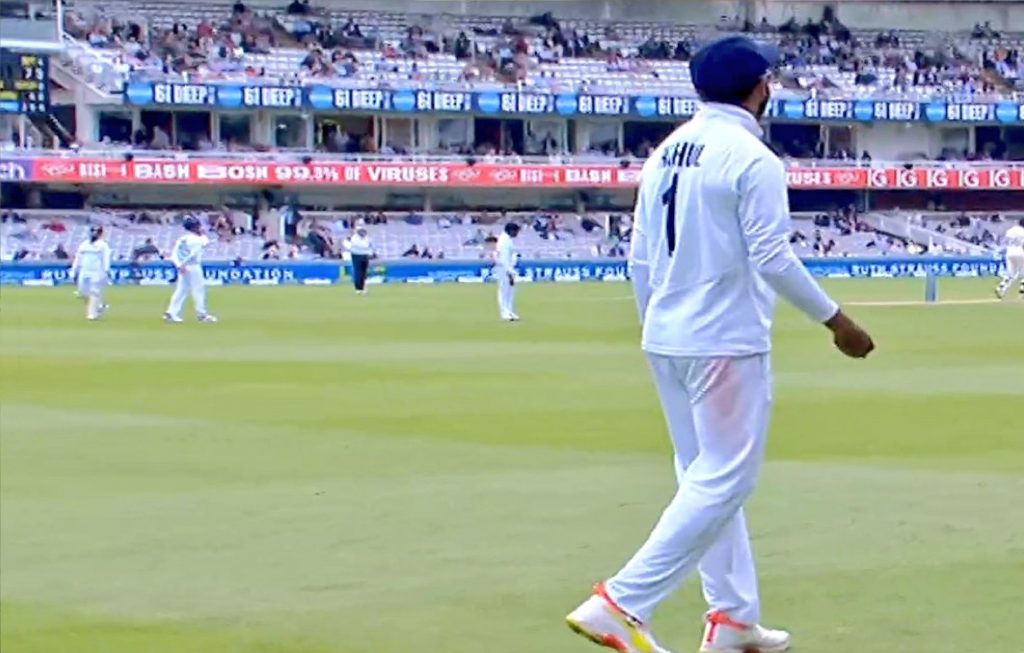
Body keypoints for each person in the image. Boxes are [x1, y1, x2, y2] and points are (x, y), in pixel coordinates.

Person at [565, 36, 874, 653]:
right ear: (760, 88)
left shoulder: (666, 152)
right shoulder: (752, 158)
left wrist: (656, 326)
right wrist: (837, 321)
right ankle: (621, 602)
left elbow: (639, 259)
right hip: (723, 340)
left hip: (668, 335)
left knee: (703, 478)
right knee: (724, 479)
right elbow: (773, 257)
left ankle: (733, 618)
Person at [164, 215, 217, 323]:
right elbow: (201, 246)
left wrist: (179, 265)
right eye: (198, 226)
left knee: (181, 290)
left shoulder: (182, 239)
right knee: (198, 290)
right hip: (193, 266)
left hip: (183, 266)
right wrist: (203, 234)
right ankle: (201, 315)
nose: (200, 227)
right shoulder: (196, 240)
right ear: (194, 227)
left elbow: (174, 254)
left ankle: (171, 312)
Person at [70, 225, 112, 321]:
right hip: (84, 270)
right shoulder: (84, 244)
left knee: (94, 291)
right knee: (83, 292)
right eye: (93, 231)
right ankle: (100, 305)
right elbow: (78, 258)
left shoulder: (103, 245)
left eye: (96, 232)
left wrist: (106, 270)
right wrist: (74, 270)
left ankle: (92, 314)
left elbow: (106, 259)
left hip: (97, 271)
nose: (94, 234)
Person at [495, 222, 521, 321]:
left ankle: (509, 311)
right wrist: (509, 270)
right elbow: (504, 258)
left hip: (508, 267)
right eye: (516, 231)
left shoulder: (507, 239)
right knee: (504, 291)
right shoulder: (504, 241)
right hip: (504, 268)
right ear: (510, 231)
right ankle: (504, 312)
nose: (517, 234)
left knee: (510, 291)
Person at [995, 218, 1024, 299]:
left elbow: (1004, 241)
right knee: (1022, 273)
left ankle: (1001, 288)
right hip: (1020, 252)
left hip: (1009, 252)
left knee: (1010, 273)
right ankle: (1022, 292)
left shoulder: (1010, 230)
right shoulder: (1022, 231)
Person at [348, 227, 373, 295]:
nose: (363, 233)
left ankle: (363, 287)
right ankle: (358, 288)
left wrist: (370, 253)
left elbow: (370, 245)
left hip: (365, 255)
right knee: (358, 271)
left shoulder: (367, 238)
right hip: (356, 255)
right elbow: (362, 245)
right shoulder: (355, 238)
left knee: (364, 272)